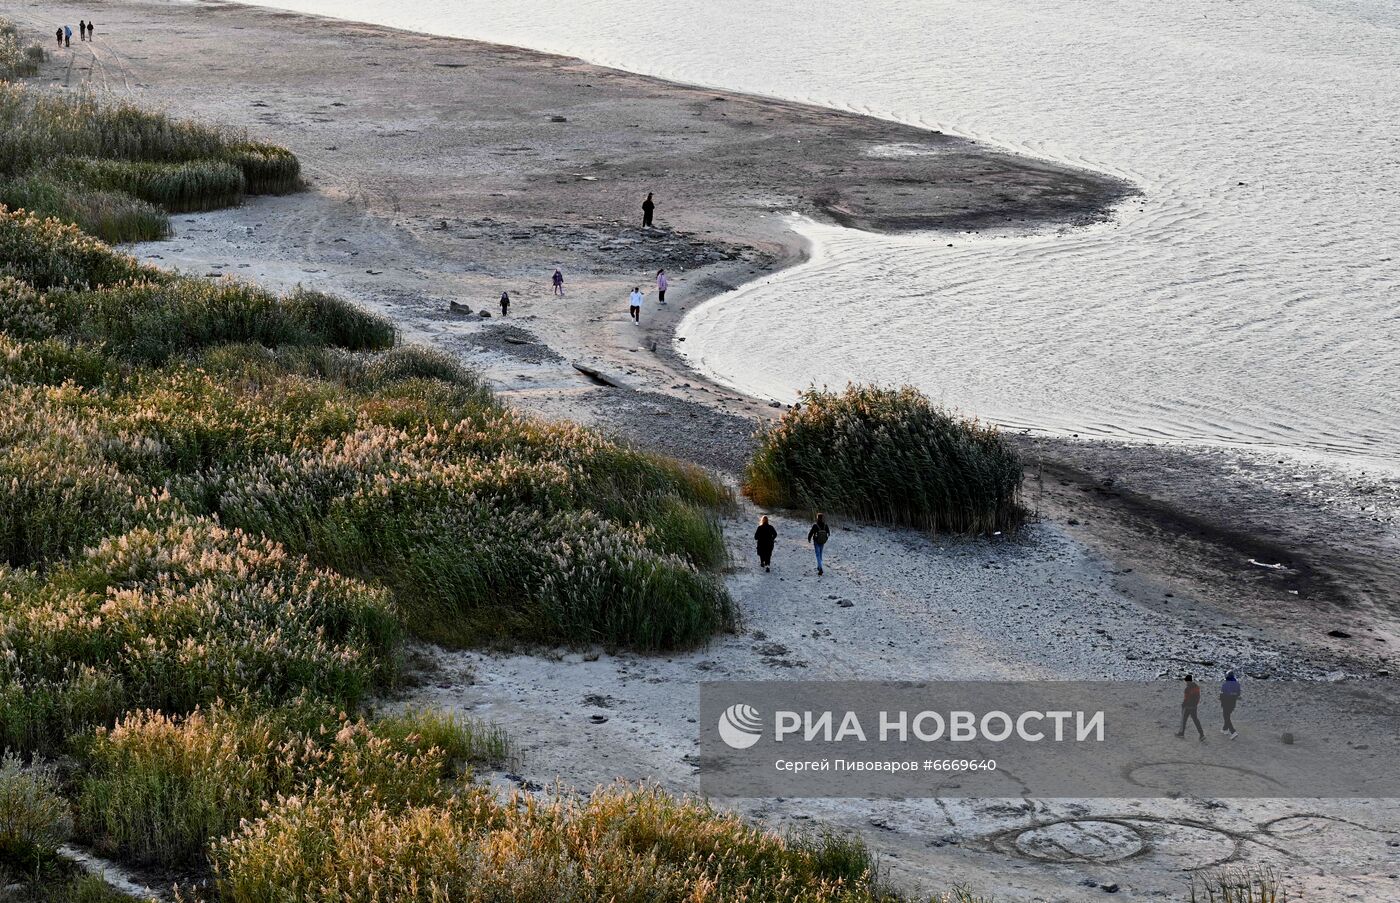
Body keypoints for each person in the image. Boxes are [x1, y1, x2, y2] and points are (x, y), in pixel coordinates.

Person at [1175, 674, 1206, 743]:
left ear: (1188, 681)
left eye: (1186, 681)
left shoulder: (1187, 689)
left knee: (1184, 720)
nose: (1186, 682)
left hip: (1187, 707)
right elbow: (1198, 697)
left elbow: (1186, 699)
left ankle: (1181, 733)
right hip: (1194, 707)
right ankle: (1202, 734)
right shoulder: (1196, 687)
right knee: (1195, 720)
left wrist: (1183, 705)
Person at [1219, 671, 1241, 739]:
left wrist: (1221, 700)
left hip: (1226, 702)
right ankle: (1225, 729)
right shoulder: (1237, 684)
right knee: (1227, 715)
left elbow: (1222, 694)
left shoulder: (1225, 684)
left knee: (1226, 716)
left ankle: (1233, 732)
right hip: (1233, 702)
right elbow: (1238, 693)